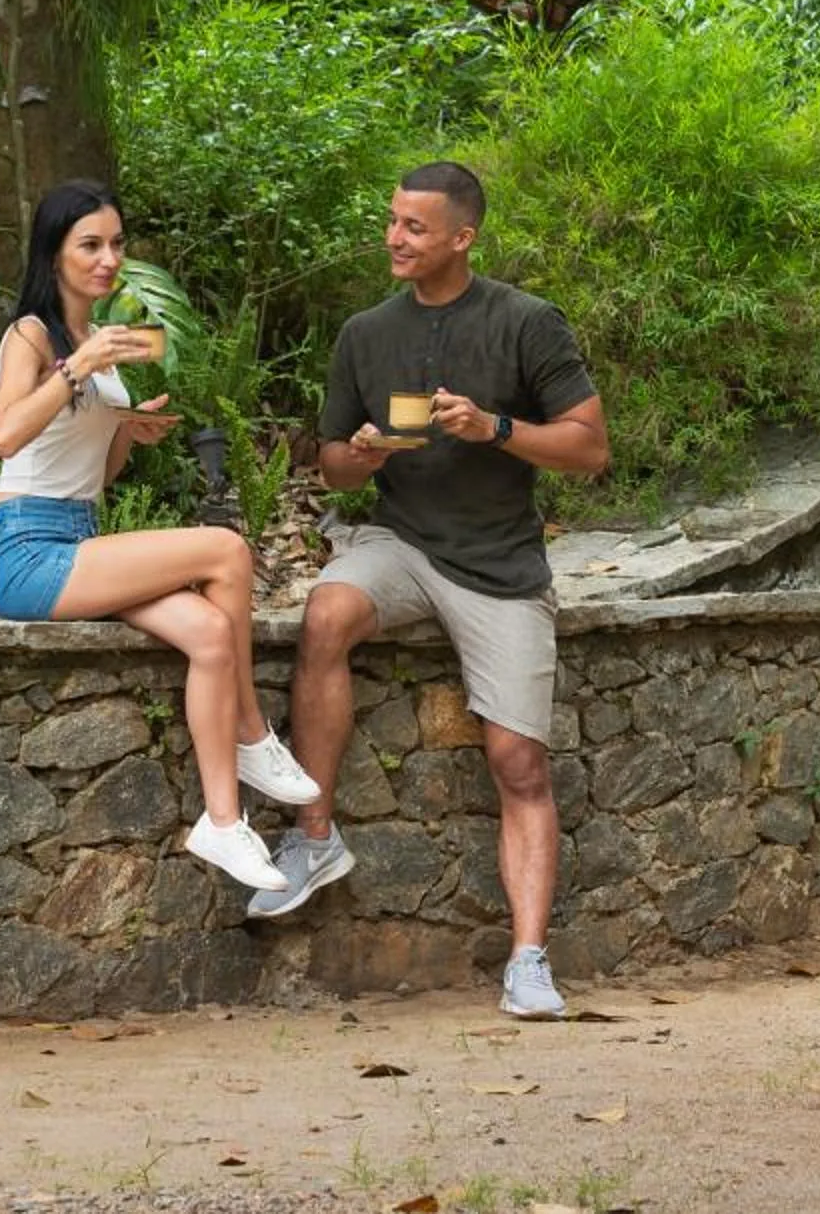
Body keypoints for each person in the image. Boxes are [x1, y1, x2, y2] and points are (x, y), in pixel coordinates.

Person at [250, 160, 608, 1022]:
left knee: (518, 762)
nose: (395, 238)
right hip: (399, 543)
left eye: (414, 227)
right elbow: (331, 470)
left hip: (499, 565)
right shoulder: (365, 333)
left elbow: (590, 448)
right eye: (392, 221)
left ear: (462, 237)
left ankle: (528, 960)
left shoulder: (526, 322)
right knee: (327, 613)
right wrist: (362, 454)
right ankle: (313, 839)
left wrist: (496, 429)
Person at [0, 178, 320, 890]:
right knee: (225, 548)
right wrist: (79, 369)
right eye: (90, 245)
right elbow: (7, 435)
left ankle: (223, 823)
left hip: (77, 534)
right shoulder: (35, 336)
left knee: (207, 633)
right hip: (27, 548)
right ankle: (253, 733)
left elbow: (92, 479)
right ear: (53, 254)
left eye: (116, 244)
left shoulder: (91, 342)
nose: (108, 259)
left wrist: (125, 432)